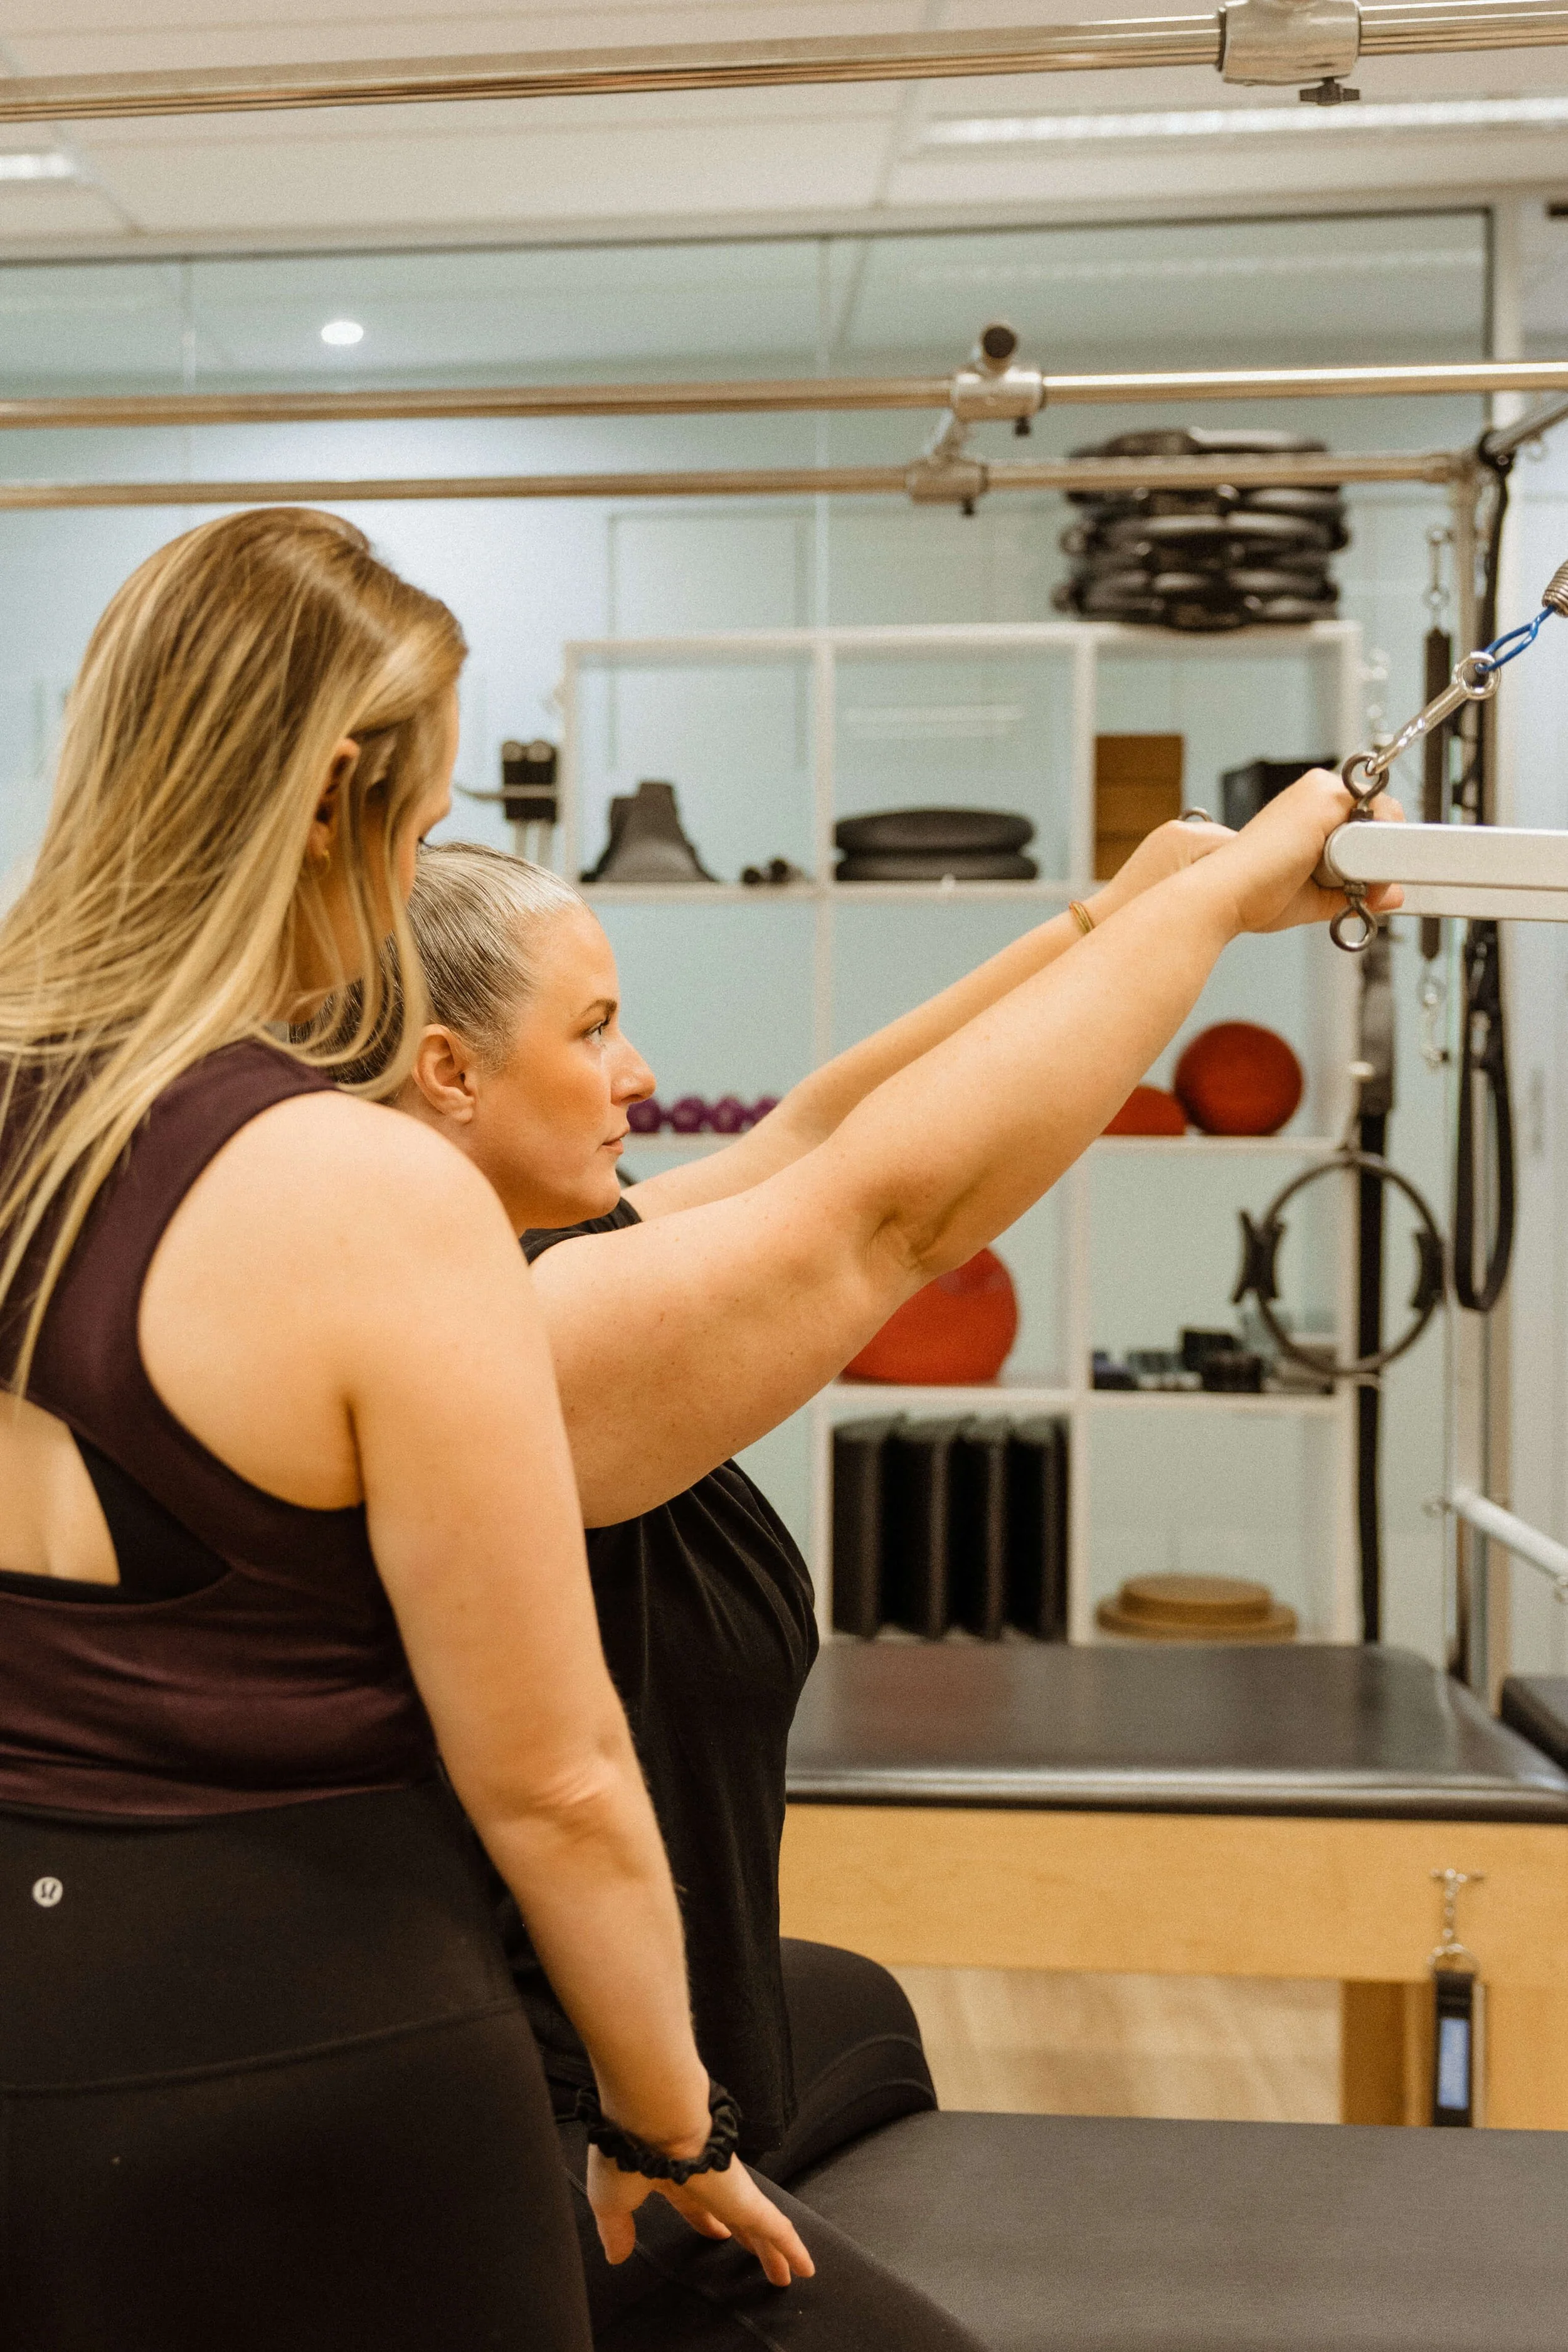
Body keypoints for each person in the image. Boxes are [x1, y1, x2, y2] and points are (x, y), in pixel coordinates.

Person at [397, 782, 1399, 2334]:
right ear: (445, 1074)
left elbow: (823, 1130)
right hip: (560, 2139)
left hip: (615, 2035)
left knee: (851, 2000)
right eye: (593, 1030)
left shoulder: (536, 1262)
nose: (639, 1074)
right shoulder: (502, 1350)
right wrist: (1203, 921)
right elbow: (891, 1218)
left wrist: (1119, 916)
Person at [0, 506, 813, 2352]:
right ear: (333, 796)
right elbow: (556, 1774)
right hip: (313, 2040)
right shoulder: (362, 1189)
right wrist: (666, 2118)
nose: (421, 864)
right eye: (430, 822)